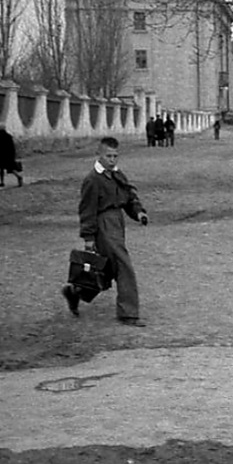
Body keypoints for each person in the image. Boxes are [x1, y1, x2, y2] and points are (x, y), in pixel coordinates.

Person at [62, 137, 149, 326]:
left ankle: (76, 292)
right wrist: (88, 237)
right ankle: (128, 313)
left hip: (117, 223)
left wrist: (139, 212)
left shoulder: (117, 175)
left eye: (115, 156)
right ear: (99, 155)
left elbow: (129, 197)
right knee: (124, 266)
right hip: (103, 225)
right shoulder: (92, 180)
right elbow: (87, 210)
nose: (112, 160)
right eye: (108, 156)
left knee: (105, 269)